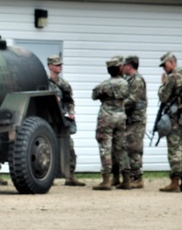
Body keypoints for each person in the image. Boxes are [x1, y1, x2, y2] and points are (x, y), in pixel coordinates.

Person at [157, 52, 182, 192]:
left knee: (174, 150)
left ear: (171, 62)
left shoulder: (173, 77)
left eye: (164, 65)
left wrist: (163, 85)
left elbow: (163, 97)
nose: (164, 68)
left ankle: (174, 182)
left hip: (174, 119)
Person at [91, 56, 130, 191]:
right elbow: (125, 95)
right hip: (120, 117)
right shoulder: (125, 83)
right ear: (119, 69)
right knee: (121, 147)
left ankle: (106, 180)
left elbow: (94, 95)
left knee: (105, 147)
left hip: (106, 117)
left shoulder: (104, 85)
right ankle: (126, 179)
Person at [47, 55, 85, 186]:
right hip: (48, 121)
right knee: (48, 149)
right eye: (57, 65)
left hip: (62, 120)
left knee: (69, 147)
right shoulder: (44, 84)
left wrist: (72, 113)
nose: (59, 67)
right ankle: (47, 176)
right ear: (50, 66)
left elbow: (69, 101)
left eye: (60, 65)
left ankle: (70, 176)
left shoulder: (64, 84)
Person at [121, 55, 148, 189]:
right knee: (128, 146)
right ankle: (132, 175)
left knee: (135, 147)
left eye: (124, 65)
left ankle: (137, 177)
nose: (123, 67)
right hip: (130, 119)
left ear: (129, 66)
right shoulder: (129, 80)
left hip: (137, 119)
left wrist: (118, 105)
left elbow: (132, 99)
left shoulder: (137, 81)